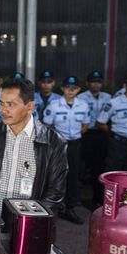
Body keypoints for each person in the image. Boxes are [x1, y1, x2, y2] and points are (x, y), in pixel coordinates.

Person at [0, 78, 67, 216]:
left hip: (31, 225)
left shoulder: (53, 142)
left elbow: (55, 192)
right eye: (1, 104)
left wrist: (30, 222)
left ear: (29, 106)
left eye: (11, 104)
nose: (3, 110)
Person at [42, 76, 89, 224]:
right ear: (62, 89)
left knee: (73, 175)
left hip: (75, 144)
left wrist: (74, 136)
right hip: (59, 145)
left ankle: (70, 207)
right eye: (68, 88)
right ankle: (55, 206)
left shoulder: (83, 105)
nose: (71, 91)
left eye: (74, 88)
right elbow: (47, 125)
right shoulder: (54, 105)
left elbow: (85, 126)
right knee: (56, 175)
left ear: (79, 90)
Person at [78, 70, 111, 207]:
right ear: (87, 83)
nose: (96, 84)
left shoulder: (108, 97)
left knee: (99, 167)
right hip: (86, 134)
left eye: (98, 82)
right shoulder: (81, 97)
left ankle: (97, 198)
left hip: (101, 134)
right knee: (82, 167)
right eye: (93, 82)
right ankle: (77, 199)